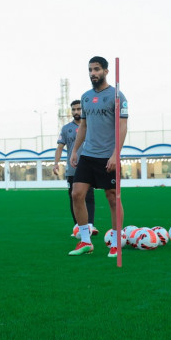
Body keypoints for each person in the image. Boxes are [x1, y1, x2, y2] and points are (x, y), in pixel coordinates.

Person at [68, 56, 128, 258]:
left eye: (96, 69)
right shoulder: (85, 97)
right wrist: (75, 150)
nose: (93, 73)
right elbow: (83, 126)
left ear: (106, 71)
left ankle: (116, 242)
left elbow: (122, 126)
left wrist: (115, 155)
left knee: (112, 197)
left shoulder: (117, 96)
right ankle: (85, 241)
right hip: (88, 155)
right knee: (76, 194)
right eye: (90, 70)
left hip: (107, 157)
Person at [53, 100, 97, 237]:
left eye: (78, 109)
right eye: (73, 109)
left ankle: (89, 225)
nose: (76, 112)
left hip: (89, 166)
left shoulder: (91, 126)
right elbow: (60, 147)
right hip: (72, 169)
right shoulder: (66, 129)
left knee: (89, 196)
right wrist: (56, 163)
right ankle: (77, 226)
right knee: (74, 197)